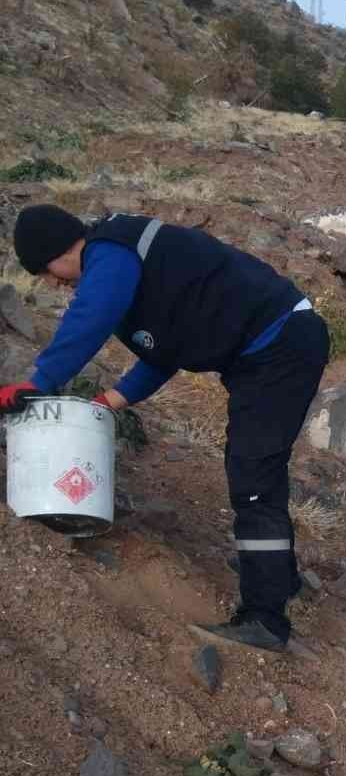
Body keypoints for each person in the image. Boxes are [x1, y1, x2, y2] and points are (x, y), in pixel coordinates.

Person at [1, 204, 329, 652]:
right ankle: (278, 577)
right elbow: (164, 353)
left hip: (281, 344)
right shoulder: (131, 268)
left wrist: (40, 381)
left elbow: (90, 317)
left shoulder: (109, 253)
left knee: (253, 476)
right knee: (253, 468)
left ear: (60, 251)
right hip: (266, 352)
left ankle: (265, 620)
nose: (54, 284)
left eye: (46, 272)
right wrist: (110, 401)